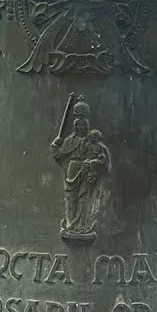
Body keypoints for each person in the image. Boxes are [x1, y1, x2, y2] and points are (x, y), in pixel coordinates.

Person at [51, 96, 111, 243]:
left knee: (85, 198)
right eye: (79, 126)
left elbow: (101, 157)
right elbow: (58, 155)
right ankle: (71, 225)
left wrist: (93, 163)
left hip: (86, 170)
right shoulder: (69, 141)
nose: (82, 128)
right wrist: (55, 145)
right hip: (72, 170)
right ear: (75, 126)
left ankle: (82, 226)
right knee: (71, 199)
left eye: (84, 126)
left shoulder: (91, 142)